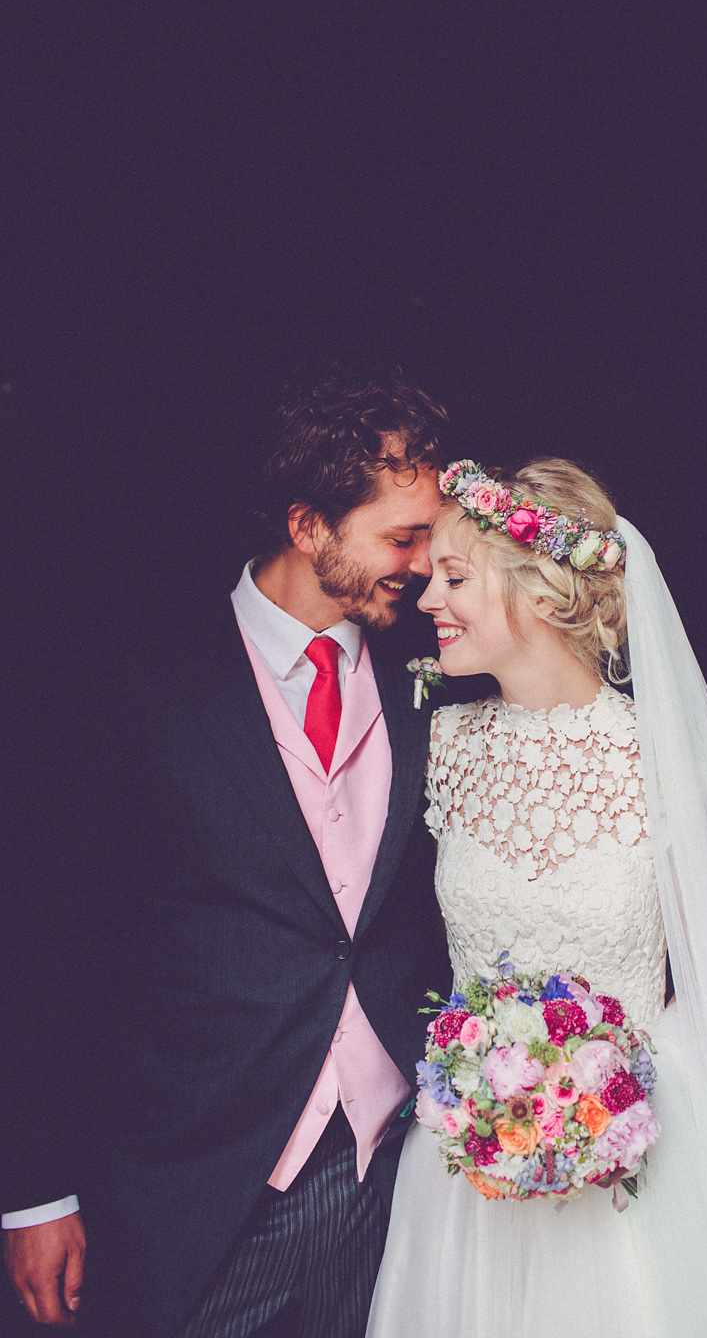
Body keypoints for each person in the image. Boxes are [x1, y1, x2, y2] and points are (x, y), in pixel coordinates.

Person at [2, 368, 468, 1338]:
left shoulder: (438, 676)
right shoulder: (140, 686)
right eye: (401, 536)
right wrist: (35, 1191)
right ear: (307, 527)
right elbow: (53, 947)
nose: (424, 565)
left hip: (389, 1174)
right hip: (196, 1181)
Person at [365, 457, 707, 1338]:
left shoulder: (664, 764)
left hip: (635, 1149)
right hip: (467, 1160)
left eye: (455, 577)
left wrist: (610, 1099)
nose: (427, 599)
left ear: (544, 594)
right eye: (429, 574)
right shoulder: (441, 744)